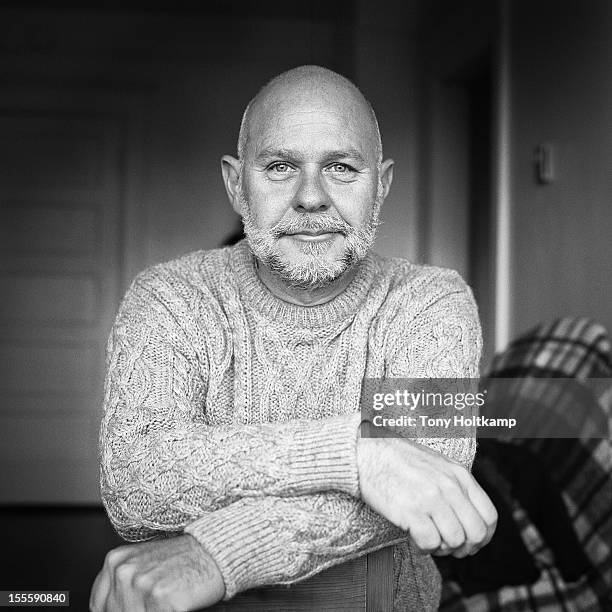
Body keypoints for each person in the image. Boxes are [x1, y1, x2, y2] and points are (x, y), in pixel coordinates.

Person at [89, 65, 497, 612]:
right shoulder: (170, 295)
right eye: (280, 167)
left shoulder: (431, 302)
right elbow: (138, 481)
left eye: (342, 167)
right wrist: (354, 455)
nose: (311, 197)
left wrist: (219, 555)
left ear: (383, 184)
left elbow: (429, 483)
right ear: (237, 184)